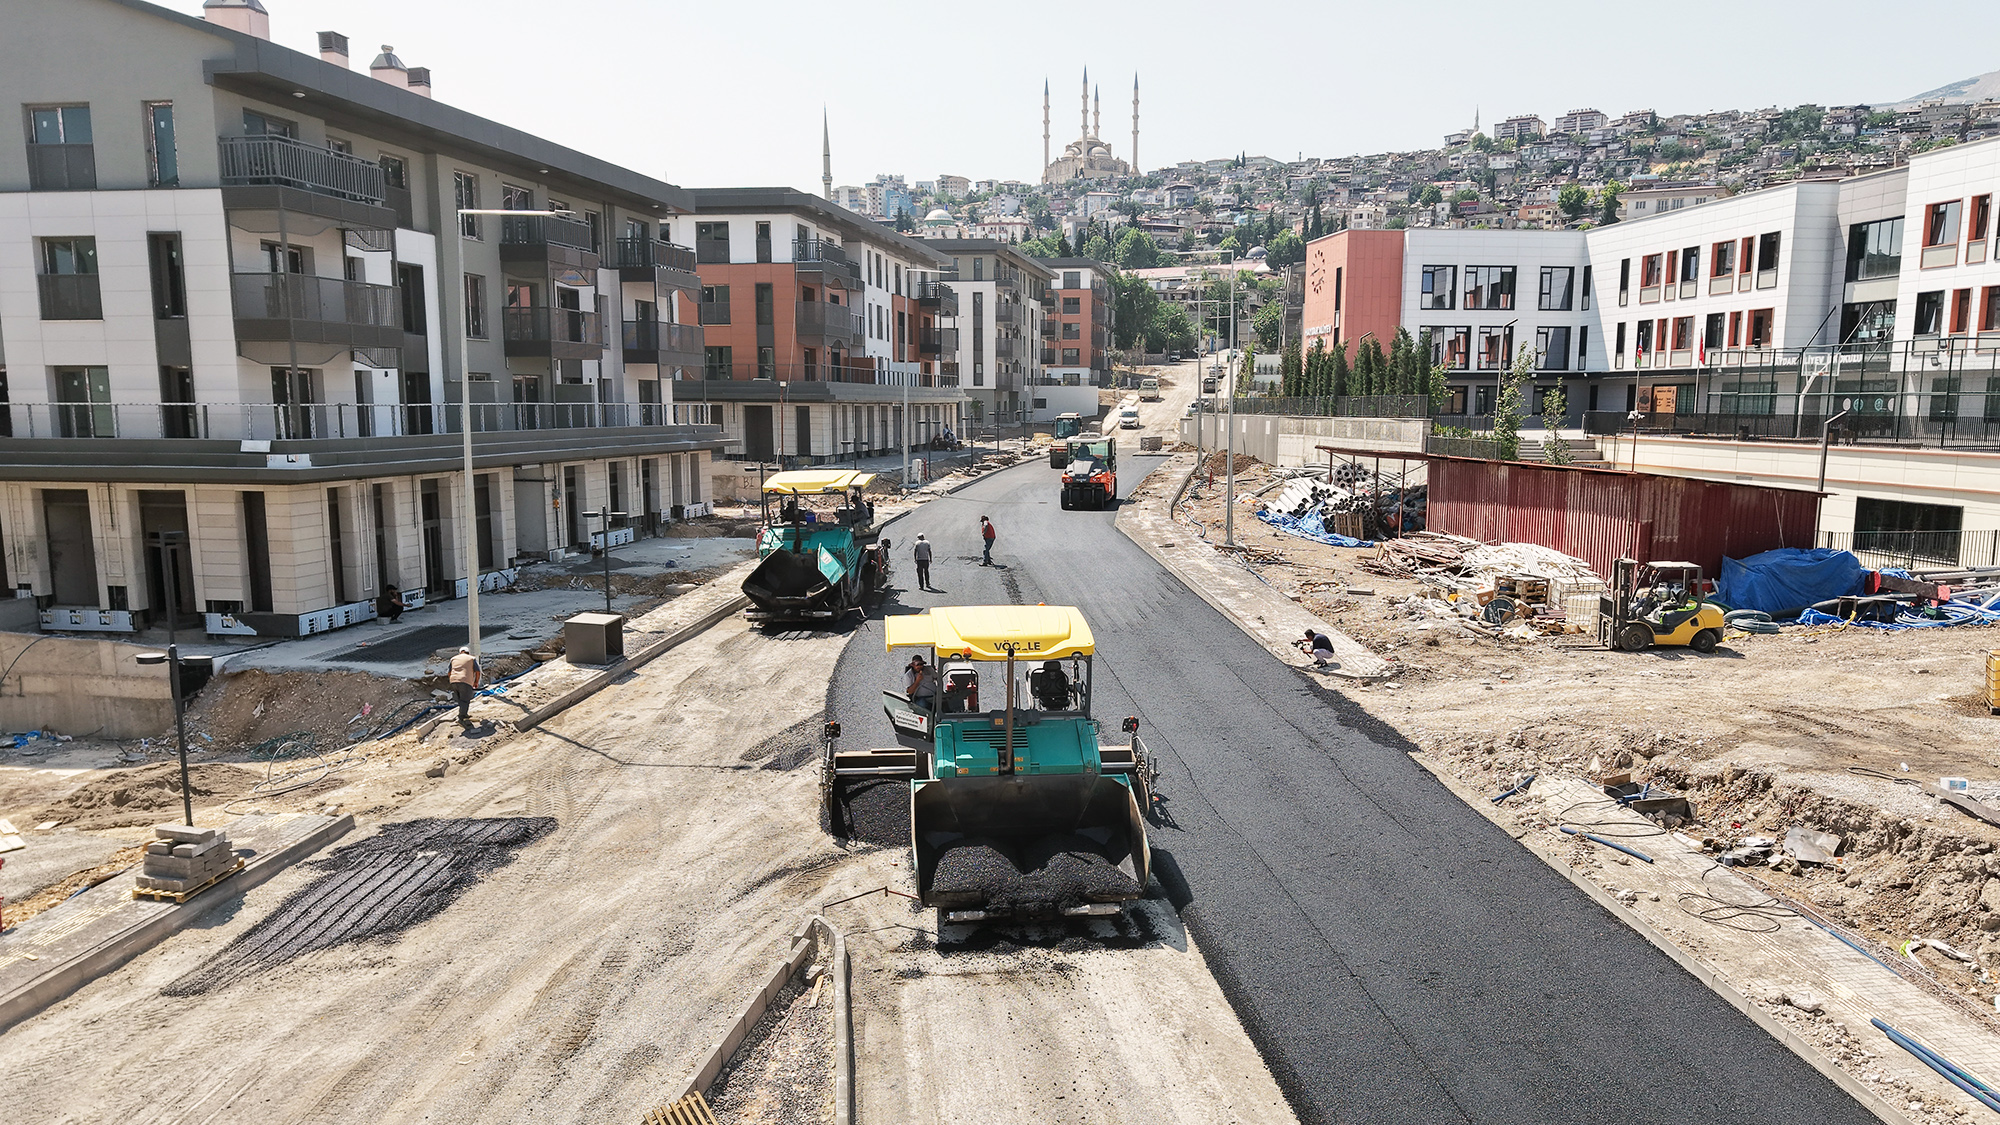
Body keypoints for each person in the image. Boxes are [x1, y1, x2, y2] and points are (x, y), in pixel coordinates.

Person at [448, 645, 481, 726]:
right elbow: (477, 671)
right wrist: (476, 682)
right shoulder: (471, 658)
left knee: (460, 699)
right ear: (468, 652)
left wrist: (453, 679)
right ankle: (461, 718)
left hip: (453, 680)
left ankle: (464, 714)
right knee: (465, 699)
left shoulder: (453, 658)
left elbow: (449, 672)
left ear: (460, 652)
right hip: (465, 680)